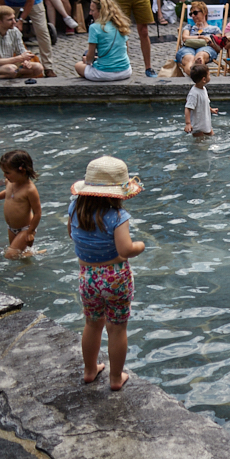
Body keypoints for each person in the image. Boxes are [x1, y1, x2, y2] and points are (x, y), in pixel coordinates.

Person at [68, 156, 145, 390]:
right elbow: (125, 250)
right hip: (115, 278)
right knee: (117, 327)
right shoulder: (118, 217)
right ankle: (115, 378)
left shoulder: (74, 209)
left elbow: (73, 236)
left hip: (87, 276)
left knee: (92, 324)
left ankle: (90, 370)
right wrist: (139, 246)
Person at [0, 150, 42, 259]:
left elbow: (38, 213)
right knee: (19, 255)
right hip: (12, 228)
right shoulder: (9, 182)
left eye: (7, 172)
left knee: (10, 255)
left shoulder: (30, 190)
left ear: (22, 171)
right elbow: (8, 193)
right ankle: (29, 258)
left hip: (25, 229)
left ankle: (33, 253)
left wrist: (30, 232)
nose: (5, 175)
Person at [0, 5, 44, 80]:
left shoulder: (15, 31)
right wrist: (19, 58)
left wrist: (26, 61)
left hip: (11, 66)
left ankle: (14, 81)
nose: (14, 22)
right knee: (11, 69)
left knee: (38, 67)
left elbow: (22, 52)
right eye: (10, 20)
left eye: (14, 18)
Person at [75, 0, 132, 82]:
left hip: (104, 73)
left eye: (92, 10)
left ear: (101, 12)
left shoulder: (94, 27)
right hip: (125, 71)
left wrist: (87, 60)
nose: (90, 13)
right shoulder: (120, 24)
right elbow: (125, 50)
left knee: (78, 65)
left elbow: (90, 57)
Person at [176, 0, 221, 76]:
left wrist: (210, 42)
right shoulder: (189, 27)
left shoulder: (214, 29)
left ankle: (195, 77)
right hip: (188, 47)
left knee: (200, 57)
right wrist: (201, 38)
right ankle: (197, 77)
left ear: (204, 13)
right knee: (189, 59)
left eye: (195, 13)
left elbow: (218, 47)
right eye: (191, 14)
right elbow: (185, 38)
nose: (193, 16)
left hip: (206, 48)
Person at [184, 62, 216, 136]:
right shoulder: (193, 93)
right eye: (209, 75)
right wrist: (188, 123)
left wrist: (211, 109)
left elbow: (205, 103)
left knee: (212, 137)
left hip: (206, 123)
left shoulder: (203, 89)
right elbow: (187, 108)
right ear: (204, 79)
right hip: (197, 127)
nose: (210, 76)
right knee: (200, 142)